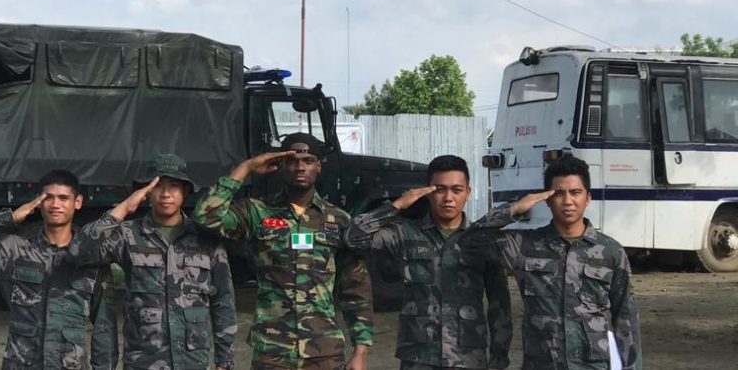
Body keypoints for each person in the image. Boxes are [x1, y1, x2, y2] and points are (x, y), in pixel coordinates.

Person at [193, 132, 373, 370]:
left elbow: (355, 287)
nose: (300, 167)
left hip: (324, 351)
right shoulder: (258, 213)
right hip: (272, 350)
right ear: (279, 166)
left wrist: (361, 350)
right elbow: (206, 216)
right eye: (292, 161)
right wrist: (246, 167)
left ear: (318, 166)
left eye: (308, 161)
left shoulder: (338, 220)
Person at [471, 156, 642, 370]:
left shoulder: (611, 252)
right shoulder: (524, 245)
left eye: (575, 193)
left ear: (588, 198)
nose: (568, 201)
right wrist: (513, 210)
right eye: (559, 194)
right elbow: (467, 242)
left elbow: (626, 322)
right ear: (547, 199)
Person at [69, 154, 236, 370]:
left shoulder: (206, 240)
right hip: (143, 361)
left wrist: (224, 361)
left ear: (185, 192)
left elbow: (223, 301)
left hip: (192, 362)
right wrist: (124, 208)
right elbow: (78, 252)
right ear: (147, 192)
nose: (166, 194)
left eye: (174, 186)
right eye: (157, 187)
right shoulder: (128, 235)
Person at [344, 155, 512, 370]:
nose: (448, 198)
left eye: (457, 190)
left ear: (468, 193)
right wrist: (397, 205)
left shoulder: (482, 240)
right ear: (427, 191)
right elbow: (352, 237)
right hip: (417, 358)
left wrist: (499, 359)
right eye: (440, 189)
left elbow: (500, 304)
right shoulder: (404, 234)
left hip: (468, 358)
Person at [0, 170, 118, 370]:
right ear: (38, 202)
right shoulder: (16, 250)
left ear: (77, 202)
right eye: (48, 198)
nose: (55, 205)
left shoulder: (91, 258)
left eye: (64, 198)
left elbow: (105, 329)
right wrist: (10, 218)